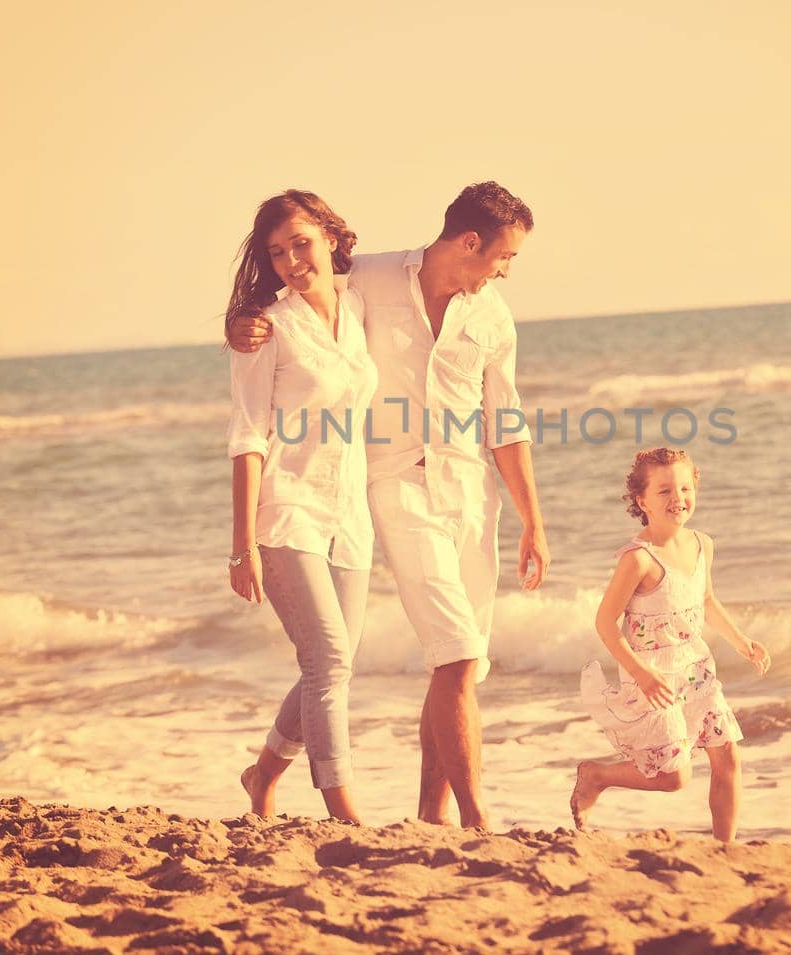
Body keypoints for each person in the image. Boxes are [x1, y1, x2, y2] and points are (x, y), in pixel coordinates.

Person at [230, 181, 550, 830]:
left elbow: (506, 423)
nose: (507, 270)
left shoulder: (488, 316)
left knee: (446, 664)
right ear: (469, 241)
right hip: (387, 488)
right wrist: (243, 322)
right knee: (448, 654)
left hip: (457, 496)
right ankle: (463, 818)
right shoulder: (371, 279)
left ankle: (420, 813)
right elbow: (294, 300)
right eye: (504, 256)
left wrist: (532, 521)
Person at [225, 190, 378, 825]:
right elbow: (247, 436)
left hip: (350, 515)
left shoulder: (362, 305)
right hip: (287, 510)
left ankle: (262, 774)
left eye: (302, 244)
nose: (291, 260)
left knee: (328, 662)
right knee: (330, 659)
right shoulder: (265, 329)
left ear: (332, 239)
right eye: (277, 252)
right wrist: (242, 546)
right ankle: (344, 812)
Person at [572, 447, 769, 842]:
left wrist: (742, 641)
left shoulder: (702, 544)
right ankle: (596, 776)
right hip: (653, 676)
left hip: (696, 667)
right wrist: (641, 675)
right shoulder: (639, 560)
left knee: (727, 755)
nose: (677, 498)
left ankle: (723, 849)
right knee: (673, 777)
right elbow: (604, 623)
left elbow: (707, 601)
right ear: (642, 501)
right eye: (663, 491)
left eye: (684, 487)